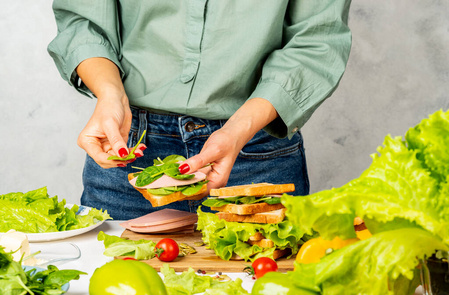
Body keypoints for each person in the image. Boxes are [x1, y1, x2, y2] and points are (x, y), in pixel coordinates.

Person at [48, 0, 352, 220]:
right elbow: (82, 18)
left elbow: (317, 38)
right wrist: (110, 94)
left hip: (255, 152)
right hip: (129, 151)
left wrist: (237, 131)